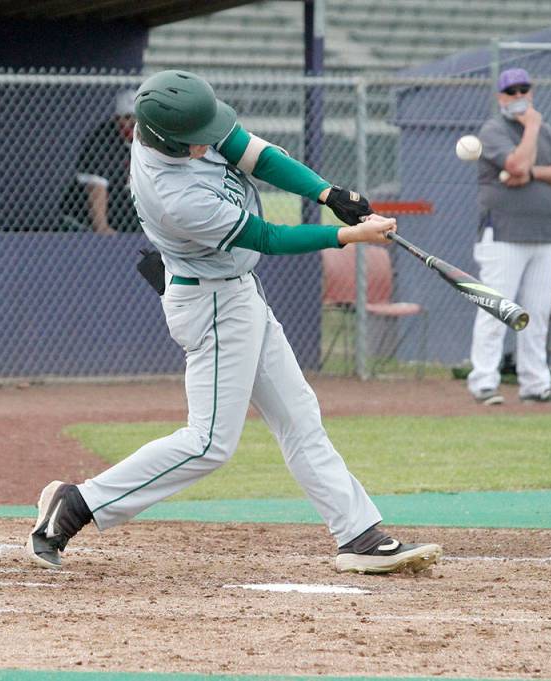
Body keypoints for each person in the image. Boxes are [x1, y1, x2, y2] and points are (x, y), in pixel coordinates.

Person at [26, 70, 442, 575]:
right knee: (208, 443)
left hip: (237, 292)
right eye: (199, 141)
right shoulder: (174, 195)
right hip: (214, 305)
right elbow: (266, 237)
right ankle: (76, 505)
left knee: (298, 415)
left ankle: (357, 533)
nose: (212, 142)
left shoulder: (178, 120)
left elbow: (257, 155)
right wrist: (347, 238)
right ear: (170, 142)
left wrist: (327, 193)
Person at [467, 68, 551, 406]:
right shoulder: (494, 129)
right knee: (496, 309)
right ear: (501, 97)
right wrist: (530, 128)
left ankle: (536, 384)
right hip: (503, 234)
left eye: (523, 90)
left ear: (531, 92)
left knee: (538, 312)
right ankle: (484, 381)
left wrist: (533, 173)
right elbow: (514, 164)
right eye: (511, 92)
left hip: (544, 236)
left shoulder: (547, 131)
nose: (518, 97)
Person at [59, 89, 138, 234]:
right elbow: (96, 187)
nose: (133, 123)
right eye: (127, 117)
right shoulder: (101, 141)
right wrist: (102, 228)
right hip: (83, 216)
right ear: (116, 119)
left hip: (121, 207)